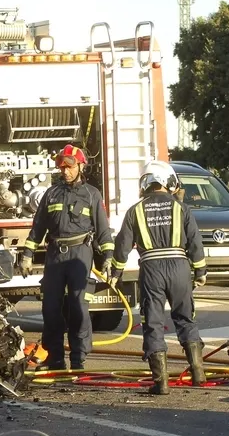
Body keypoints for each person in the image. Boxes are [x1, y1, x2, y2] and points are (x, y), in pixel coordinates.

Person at [108, 161, 207, 394]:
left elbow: (122, 246)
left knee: (153, 322)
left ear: (146, 183)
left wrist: (116, 273)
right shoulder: (181, 208)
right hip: (180, 267)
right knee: (185, 317)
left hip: (151, 268)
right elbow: (195, 241)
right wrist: (200, 271)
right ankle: (198, 373)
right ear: (167, 182)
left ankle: (161, 382)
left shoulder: (135, 210)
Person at [19, 144, 115, 371]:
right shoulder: (51, 194)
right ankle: (55, 359)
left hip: (80, 254)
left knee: (79, 307)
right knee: (51, 308)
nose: (65, 171)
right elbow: (38, 227)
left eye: (69, 167)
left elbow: (103, 230)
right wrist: (27, 254)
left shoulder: (92, 194)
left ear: (81, 166)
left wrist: (109, 257)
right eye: (61, 167)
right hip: (55, 255)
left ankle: (78, 359)